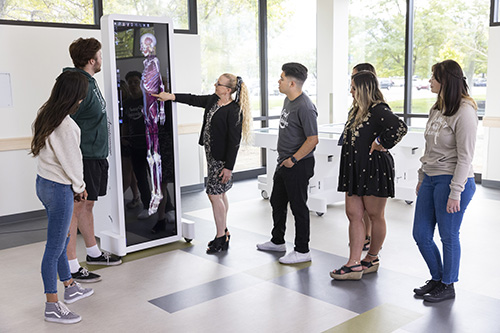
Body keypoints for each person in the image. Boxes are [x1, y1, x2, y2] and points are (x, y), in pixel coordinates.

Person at [152, 73, 252, 253]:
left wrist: (228, 167)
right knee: (219, 194)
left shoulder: (234, 110)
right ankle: (224, 231)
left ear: (228, 90)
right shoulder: (214, 100)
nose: (215, 85)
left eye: (219, 84)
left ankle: (220, 236)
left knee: (214, 195)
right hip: (211, 156)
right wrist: (170, 97)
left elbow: (234, 142)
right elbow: (193, 99)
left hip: (221, 160)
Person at [330, 70, 407, 280]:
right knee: (353, 215)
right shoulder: (354, 111)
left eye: (354, 88)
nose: (351, 91)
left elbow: (399, 127)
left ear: (364, 89)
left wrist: (381, 142)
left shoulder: (379, 110)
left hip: (374, 169)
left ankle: (372, 257)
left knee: (375, 216)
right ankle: (353, 263)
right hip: (354, 169)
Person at [31, 71, 94, 324]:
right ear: (76, 94)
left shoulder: (46, 113)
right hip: (59, 189)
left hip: (43, 183)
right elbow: (72, 161)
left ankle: (69, 285)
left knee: (61, 237)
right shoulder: (65, 124)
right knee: (55, 246)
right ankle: (52, 305)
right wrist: (80, 187)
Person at [412, 60, 477, 302]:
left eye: (433, 77)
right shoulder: (437, 108)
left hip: (452, 181)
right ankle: (437, 278)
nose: (429, 81)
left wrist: (455, 192)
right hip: (430, 178)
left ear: (446, 80)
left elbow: (466, 156)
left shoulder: (465, 111)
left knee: (448, 235)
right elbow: (429, 147)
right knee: (421, 234)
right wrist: (422, 175)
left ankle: (448, 284)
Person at [64, 37, 122, 283]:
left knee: (88, 205)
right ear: (91, 60)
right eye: (99, 56)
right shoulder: (77, 84)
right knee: (74, 209)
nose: (101, 60)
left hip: (96, 155)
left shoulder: (90, 82)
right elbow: (63, 120)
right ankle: (71, 266)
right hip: (83, 156)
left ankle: (93, 252)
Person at [256, 63, 319, 264]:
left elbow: (312, 139)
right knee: (277, 202)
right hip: (284, 162)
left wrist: (293, 159)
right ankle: (277, 241)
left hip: (298, 164)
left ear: (292, 83)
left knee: (299, 207)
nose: (278, 81)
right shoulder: (288, 101)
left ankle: (302, 250)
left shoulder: (305, 107)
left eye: (281, 78)